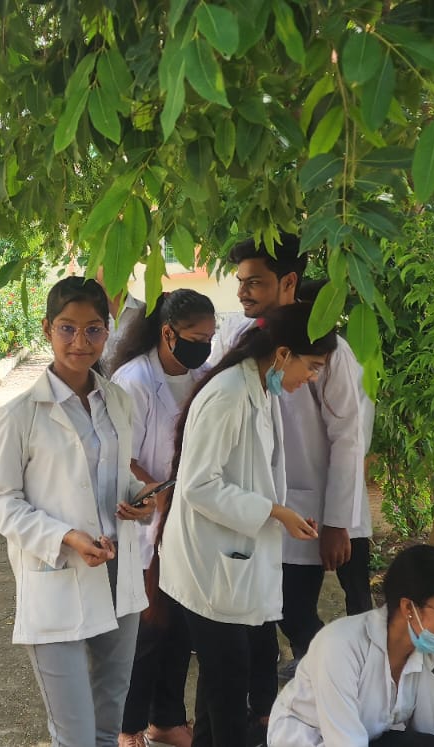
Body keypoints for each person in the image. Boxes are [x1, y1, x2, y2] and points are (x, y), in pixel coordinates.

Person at [0, 276, 161, 747]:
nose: (80, 342)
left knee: (108, 720)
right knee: (75, 733)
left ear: (107, 331)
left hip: (118, 573)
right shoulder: (18, 416)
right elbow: (0, 502)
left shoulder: (117, 401)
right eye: (67, 328)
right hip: (58, 576)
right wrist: (65, 537)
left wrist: (141, 497)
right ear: (47, 328)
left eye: (93, 329)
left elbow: (114, 476)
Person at [156, 302, 333, 747]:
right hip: (208, 570)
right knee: (231, 698)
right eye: (312, 367)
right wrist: (274, 512)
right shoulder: (230, 394)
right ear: (283, 354)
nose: (312, 378)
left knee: (220, 694)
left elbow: (252, 475)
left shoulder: (260, 389)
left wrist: (281, 513)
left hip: (226, 564)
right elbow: (199, 486)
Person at [223, 235, 376, 673]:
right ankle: (311, 671)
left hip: (311, 505)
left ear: (288, 282)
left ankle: (333, 671)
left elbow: (348, 437)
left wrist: (337, 522)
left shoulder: (330, 350)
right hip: (256, 502)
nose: (242, 292)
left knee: (295, 608)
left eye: (255, 282)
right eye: (240, 282)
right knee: (267, 610)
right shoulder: (238, 338)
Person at [110, 289, 218, 747]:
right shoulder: (134, 380)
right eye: (196, 338)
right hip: (147, 518)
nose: (204, 347)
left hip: (187, 521)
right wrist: (158, 492)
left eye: (210, 338)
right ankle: (127, 726)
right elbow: (121, 454)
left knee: (178, 628)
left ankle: (167, 720)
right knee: (146, 634)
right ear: (168, 333)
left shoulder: (204, 377)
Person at [268, 545, 434, 747]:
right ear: (408, 608)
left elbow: (431, 734)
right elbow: (345, 742)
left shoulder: (425, 656)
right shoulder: (340, 646)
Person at [96, 267, 146, 376]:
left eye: (118, 260)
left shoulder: (144, 313)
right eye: (104, 262)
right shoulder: (88, 313)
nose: (113, 265)